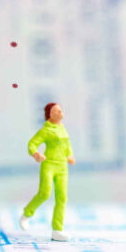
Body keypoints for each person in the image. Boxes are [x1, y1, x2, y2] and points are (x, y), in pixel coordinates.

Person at [19, 102, 75, 241]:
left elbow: (67, 144)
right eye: (56, 111)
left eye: (60, 110)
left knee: (62, 198)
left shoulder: (63, 128)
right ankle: (27, 213)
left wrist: (70, 155)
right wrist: (36, 154)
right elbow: (32, 143)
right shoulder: (46, 130)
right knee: (45, 193)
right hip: (49, 164)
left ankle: (57, 230)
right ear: (50, 114)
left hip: (62, 167)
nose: (60, 112)